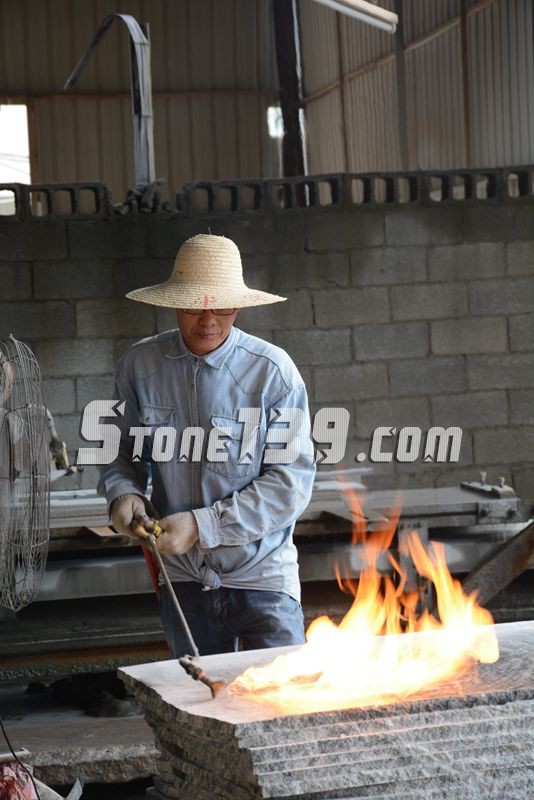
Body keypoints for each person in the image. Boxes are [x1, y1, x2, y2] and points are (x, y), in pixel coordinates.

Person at [97, 234, 316, 657]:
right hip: (183, 581)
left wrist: (201, 525)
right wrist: (122, 493)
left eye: (223, 307)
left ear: (241, 305)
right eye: (194, 307)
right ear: (174, 303)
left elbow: (290, 483)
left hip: (262, 579)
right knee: (197, 713)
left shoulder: (272, 373)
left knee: (282, 708)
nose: (208, 321)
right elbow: (118, 450)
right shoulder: (140, 366)